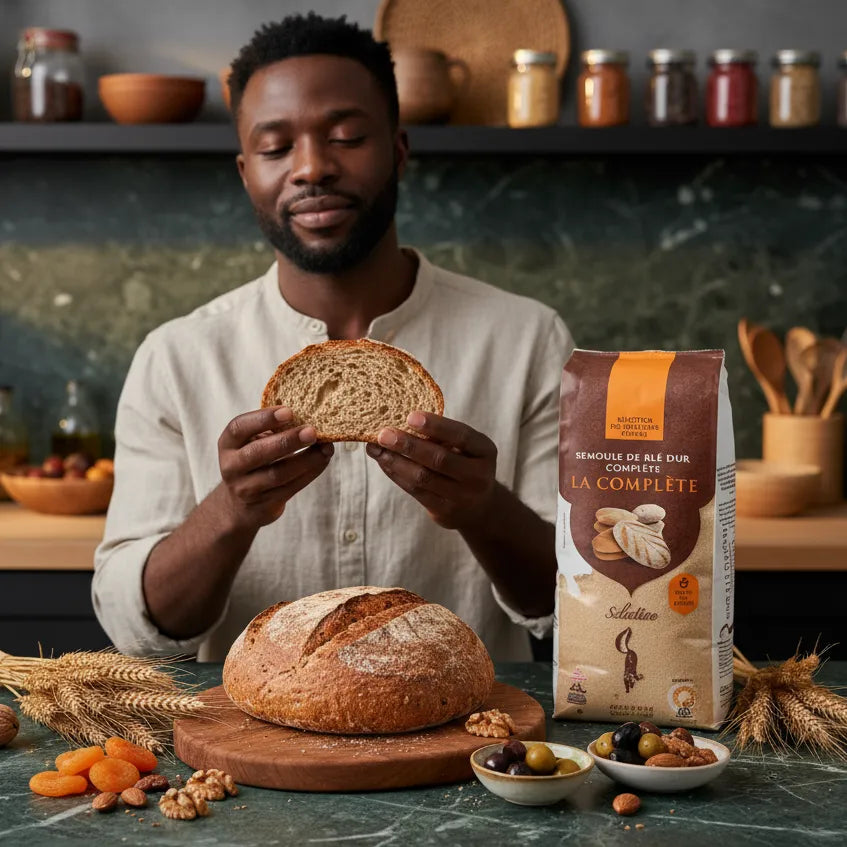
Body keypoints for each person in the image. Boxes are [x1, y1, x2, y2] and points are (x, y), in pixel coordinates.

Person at [92, 13, 573, 662]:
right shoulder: (177, 357)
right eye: (275, 147)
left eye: (345, 136)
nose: (312, 167)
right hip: (250, 746)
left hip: (468, 739)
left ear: (398, 150)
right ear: (244, 173)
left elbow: (574, 604)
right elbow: (136, 625)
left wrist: (481, 507)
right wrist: (231, 510)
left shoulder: (527, 339)